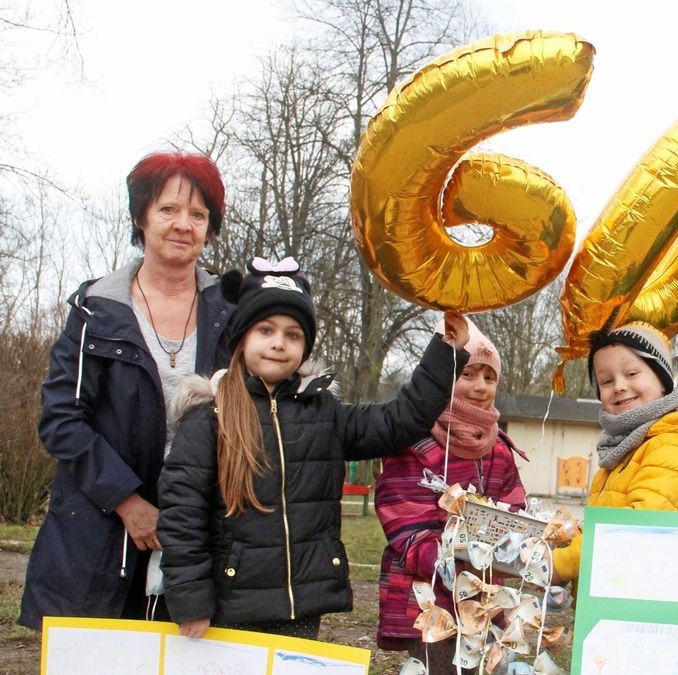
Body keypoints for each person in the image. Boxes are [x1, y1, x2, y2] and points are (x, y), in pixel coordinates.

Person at [156, 259, 469, 639]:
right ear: (242, 338)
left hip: (304, 606)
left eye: (293, 335)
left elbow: (399, 421)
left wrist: (445, 351)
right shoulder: (209, 419)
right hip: (228, 609)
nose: (278, 343)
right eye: (266, 330)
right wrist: (190, 600)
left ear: (304, 348)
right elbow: (181, 515)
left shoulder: (325, 414)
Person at [20, 152, 233, 629]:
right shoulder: (96, 308)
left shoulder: (234, 311)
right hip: (99, 534)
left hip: (201, 537)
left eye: (198, 215)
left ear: (210, 228)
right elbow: (61, 419)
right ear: (141, 217)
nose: (183, 225)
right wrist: (127, 502)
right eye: (168, 209)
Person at [374, 320, 527, 671]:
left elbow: (513, 504)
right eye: (468, 374)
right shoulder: (414, 440)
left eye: (489, 377)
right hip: (428, 596)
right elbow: (403, 518)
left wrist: (512, 546)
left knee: (479, 667)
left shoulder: (498, 447)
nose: (480, 386)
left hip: (483, 595)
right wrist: (454, 561)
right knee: (437, 668)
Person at [551, 321, 678, 583]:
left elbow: (634, 530)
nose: (619, 386)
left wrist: (557, 565)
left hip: (640, 598)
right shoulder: (624, 449)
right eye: (606, 380)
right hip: (613, 593)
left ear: (663, 381)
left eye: (632, 373)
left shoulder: (671, 445)